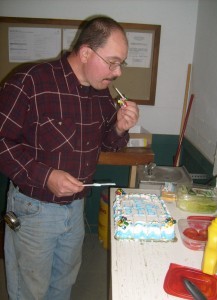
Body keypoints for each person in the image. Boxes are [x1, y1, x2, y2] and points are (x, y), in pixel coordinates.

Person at [0, 16, 139, 300]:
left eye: (121, 63)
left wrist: (120, 127)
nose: (118, 72)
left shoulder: (100, 94)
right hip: (33, 209)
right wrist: (46, 176)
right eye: (113, 62)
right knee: (30, 291)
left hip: (75, 211)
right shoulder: (31, 81)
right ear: (86, 52)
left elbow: (108, 144)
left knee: (63, 286)